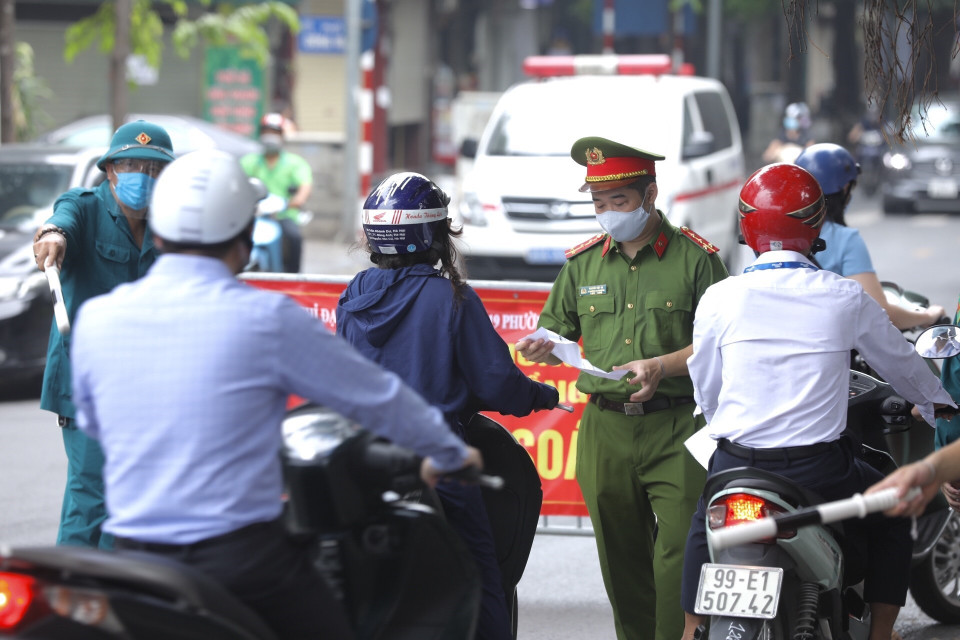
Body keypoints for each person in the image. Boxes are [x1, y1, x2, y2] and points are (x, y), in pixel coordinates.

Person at [70, 149, 484, 640]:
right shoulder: (265, 319)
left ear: (158, 234)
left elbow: (97, 426)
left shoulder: (97, 319)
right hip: (244, 562)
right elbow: (377, 399)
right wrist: (449, 453)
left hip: (133, 558)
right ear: (245, 240)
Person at [678, 163, 955, 640]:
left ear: (747, 227)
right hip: (819, 472)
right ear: (816, 224)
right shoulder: (842, 296)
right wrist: (938, 405)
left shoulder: (719, 298)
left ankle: (690, 629)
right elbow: (903, 367)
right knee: (892, 515)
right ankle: (881, 633)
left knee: (705, 525)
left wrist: (725, 423)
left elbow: (705, 387)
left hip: (736, 466)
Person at [515, 136, 728, 640]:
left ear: (649, 195)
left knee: (678, 554)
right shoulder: (583, 263)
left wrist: (662, 366)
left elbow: (720, 343)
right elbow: (555, 328)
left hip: (679, 428)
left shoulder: (697, 260)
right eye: (599, 204)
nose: (608, 214)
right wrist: (541, 345)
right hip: (605, 430)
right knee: (620, 558)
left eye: (619, 202)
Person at [336, 171, 559, 640]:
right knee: (482, 578)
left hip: (361, 462)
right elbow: (498, 382)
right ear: (435, 235)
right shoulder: (451, 298)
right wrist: (543, 394)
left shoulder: (355, 294)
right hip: (437, 462)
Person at [32, 119, 175, 550]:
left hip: (145, 382)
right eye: (132, 165)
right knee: (91, 493)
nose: (143, 177)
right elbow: (61, 221)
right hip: (86, 378)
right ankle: (64, 595)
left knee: (133, 499)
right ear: (111, 170)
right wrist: (52, 236)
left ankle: (112, 598)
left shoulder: (171, 226)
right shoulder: (85, 206)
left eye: (154, 170)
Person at [794, 142, 945, 329]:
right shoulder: (845, 238)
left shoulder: (773, 239)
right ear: (845, 188)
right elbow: (880, 313)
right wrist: (928, 316)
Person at [240, 112, 313, 273]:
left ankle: (294, 279)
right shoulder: (249, 162)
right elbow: (238, 183)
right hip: (255, 215)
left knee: (294, 237)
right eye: (266, 132)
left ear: (282, 136)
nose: (270, 137)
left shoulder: (295, 163)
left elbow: (305, 186)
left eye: (274, 133)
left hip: (283, 214)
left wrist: (296, 200)